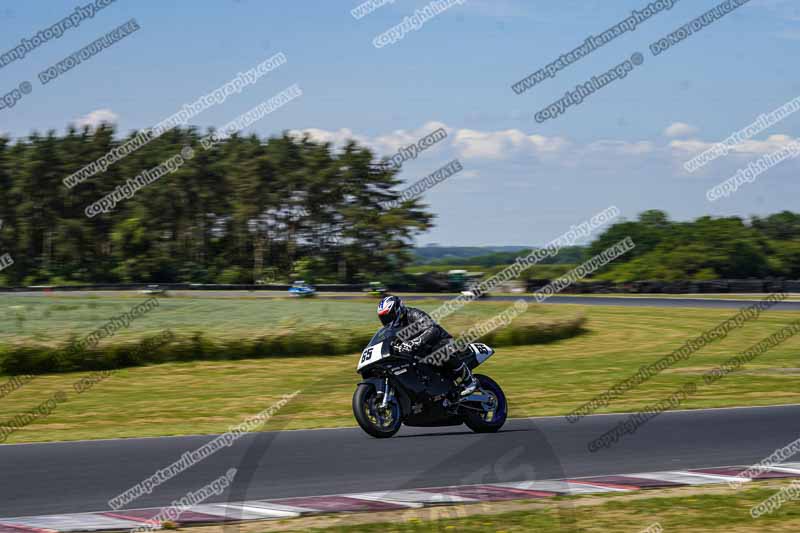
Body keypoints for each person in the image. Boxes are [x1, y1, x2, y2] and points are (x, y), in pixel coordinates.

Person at [376, 295, 478, 396]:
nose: (387, 320)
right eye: (383, 318)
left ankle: (469, 380)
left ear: (398, 310)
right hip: (421, 352)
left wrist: (415, 342)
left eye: (388, 316)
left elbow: (432, 329)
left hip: (440, 341)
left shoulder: (413, 314)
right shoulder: (392, 329)